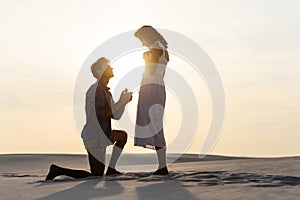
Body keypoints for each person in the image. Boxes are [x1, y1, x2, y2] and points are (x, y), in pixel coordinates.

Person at [45, 57, 132, 180]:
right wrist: (121, 102)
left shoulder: (106, 92)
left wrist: (123, 102)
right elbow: (102, 114)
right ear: (99, 72)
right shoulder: (96, 90)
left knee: (122, 136)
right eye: (108, 66)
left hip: (103, 135)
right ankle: (58, 170)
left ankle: (111, 169)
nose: (111, 68)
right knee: (96, 175)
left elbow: (115, 116)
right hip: (94, 138)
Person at [134, 26, 170, 175]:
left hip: (152, 88)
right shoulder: (163, 49)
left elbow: (151, 70)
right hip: (157, 87)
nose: (142, 43)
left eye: (141, 39)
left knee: (154, 125)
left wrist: (145, 57)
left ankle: (162, 167)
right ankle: (162, 165)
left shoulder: (155, 47)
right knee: (155, 124)